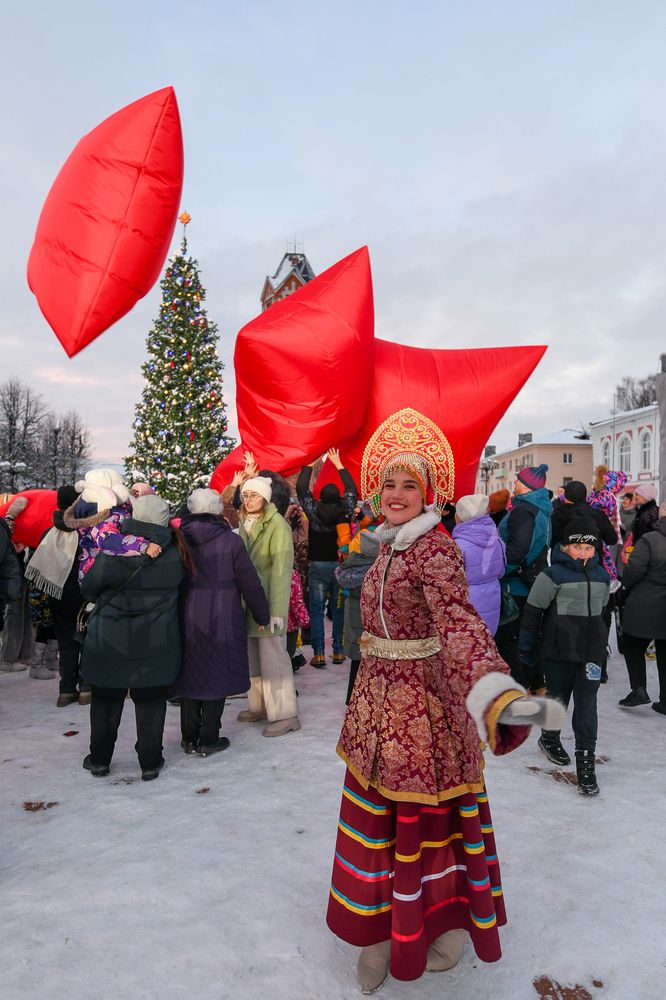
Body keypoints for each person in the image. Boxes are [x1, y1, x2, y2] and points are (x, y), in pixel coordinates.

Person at [326, 408, 564, 994]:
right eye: (389, 483)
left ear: (429, 494)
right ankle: (378, 931)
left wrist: (493, 689)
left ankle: (443, 928)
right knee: (377, 826)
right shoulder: (387, 545)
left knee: (425, 828)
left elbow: (460, 622)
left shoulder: (435, 549)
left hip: (424, 713)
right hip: (376, 710)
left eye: (410, 485)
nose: (396, 494)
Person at [79, 495, 188, 780]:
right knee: (151, 699)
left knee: (105, 698)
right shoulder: (177, 553)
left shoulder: (114, 551)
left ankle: (99, 759)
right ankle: (150, 762)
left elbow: (89, 589)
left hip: (110, 639)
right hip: (157, 638)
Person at [174, 488, 270, 754]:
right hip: (223, 614)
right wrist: (261, 614)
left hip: (186, 613)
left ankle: (189, 737)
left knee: (190, 672)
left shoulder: (179, 539)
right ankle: (208, 737)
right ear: (217, 510)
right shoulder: (231, 540)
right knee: (216, 672)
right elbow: (249, 582)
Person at [519, 519, 610, 795]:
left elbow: (603, 611)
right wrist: (527, 646)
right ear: (566, 546)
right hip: (559, 651)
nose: (583, 553)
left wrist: (602, 644)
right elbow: (533, 611)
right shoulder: (552, 575)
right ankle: (549, 737)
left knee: (586, 708)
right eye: (577, 547)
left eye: (588, 548)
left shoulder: (602, 576)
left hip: (591, 653)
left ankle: (586, 765)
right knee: (558, 698)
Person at [237, 476, 300, 737]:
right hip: (249, 601)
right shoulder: (243, 521)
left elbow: (282, 571)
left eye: (254, 495)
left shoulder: (277, 525)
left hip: (268, 603)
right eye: (245, 495)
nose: (248, 500)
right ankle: (260, 705)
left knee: (274, 660)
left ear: (265, 497)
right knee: (254, 658)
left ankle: (286, 715)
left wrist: (276, 611)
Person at [297, 448, 358, 667]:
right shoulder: (346, 509)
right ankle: (339, 651)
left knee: (316, 609)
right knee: (338, 609)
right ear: (339, 498)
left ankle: (319, 653)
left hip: (318, 566)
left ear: (321, 497)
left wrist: (310, 463)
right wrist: (338, 463)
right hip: (340, 566)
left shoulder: (313, 510)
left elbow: (302, 489)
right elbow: (351, 489)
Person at [494, 464, 552, 690]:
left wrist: (499, 570)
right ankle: (537, 684)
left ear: (527, 486)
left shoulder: (524, 511)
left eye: (518, 480)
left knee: (509, 638)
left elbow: (517, 550)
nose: (515, 483)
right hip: (532, 581)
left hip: (516, 585)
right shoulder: (541, 508)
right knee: (529, 636)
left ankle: (520, 687)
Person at [618, 501, 666, 712]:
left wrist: (626, 586)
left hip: (646, 602)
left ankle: (638, 689)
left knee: (632, 644)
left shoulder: (650, 540)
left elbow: (634, 570)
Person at [452, 494, 506, 635]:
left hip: (468, 600)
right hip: (493, 595)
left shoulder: (458, 545)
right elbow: (502, 570)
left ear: (460, 516)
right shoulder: (496, 539)